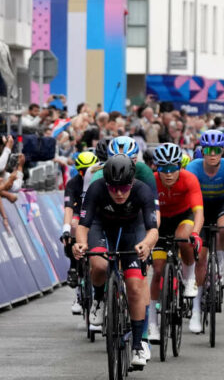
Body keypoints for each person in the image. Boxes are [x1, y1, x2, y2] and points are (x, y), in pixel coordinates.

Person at [73, 155, 158, 369]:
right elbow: (83, 225)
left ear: (132, 182)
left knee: (135, 287)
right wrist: (81, 244)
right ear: (106, 184)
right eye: (113, 188)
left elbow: (152, 229)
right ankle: (99, 300)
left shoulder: (142, 190)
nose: (119, 193)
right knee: (99, 264)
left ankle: (138, 344)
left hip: (133, 230)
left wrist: (147, 244)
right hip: (102, 228)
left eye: (124, 187)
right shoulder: (96, 188)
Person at [185, 130, 224, 333]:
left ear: (222, 151)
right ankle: (196, 311)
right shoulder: (193, 167)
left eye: (216, 150)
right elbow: (187, 197)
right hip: (200, 208)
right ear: (202, 150)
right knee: (200, 258)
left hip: (222, 205)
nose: (212, 154)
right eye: (208, 150)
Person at [148, 143, 203, 342]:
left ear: (180, 166)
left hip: (183, 217)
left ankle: (190, 279)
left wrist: (196, 233)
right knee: (158, 270)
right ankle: (152, 324)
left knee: (183, 238)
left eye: (173, 168)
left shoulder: (189, 178)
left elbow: (198, 211)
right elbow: (145, 214)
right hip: (160, 222)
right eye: (163, 168)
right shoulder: (151, 182)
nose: (169, 173)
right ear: (157, 168)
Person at [62, 151, 97, 299]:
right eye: (83, 171)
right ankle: (74, 267)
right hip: (79, 214)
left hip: (96, 214)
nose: (87, 174)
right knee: (74, 227)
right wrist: (66, 229)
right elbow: (69, 209)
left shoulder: (101, 180)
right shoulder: (73, 183)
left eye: (91, 170)